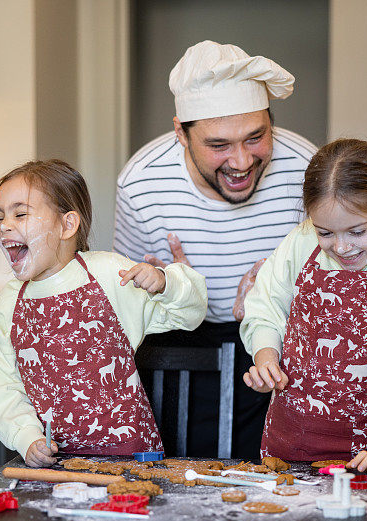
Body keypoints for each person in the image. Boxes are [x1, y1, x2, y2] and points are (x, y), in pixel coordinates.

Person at [113, 40, 317, 458]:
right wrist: (173, 290)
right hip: (183, 362)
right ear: (180, 134)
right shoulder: (140, 183)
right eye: (219, 145)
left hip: (282, 357)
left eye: (256, 137)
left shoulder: (306, 169)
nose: (241, 161)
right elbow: (125, 311)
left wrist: (283, 299)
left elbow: (339, 275)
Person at [0, 160, 206, 467]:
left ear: (67, 225)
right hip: (56, 463)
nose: (5, 225)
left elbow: (190, 315)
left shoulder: (110, 273)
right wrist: (25, 436)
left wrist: (166, 284)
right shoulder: (9, 302)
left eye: (20, 213)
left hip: (133, 457)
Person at [240, 139, 367, 475]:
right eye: (326, 232)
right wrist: (266, 360)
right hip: (287, 439)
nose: (342, 246)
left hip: (365, 452)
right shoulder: (300, 242)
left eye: (357, 231)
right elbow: (266, 307)